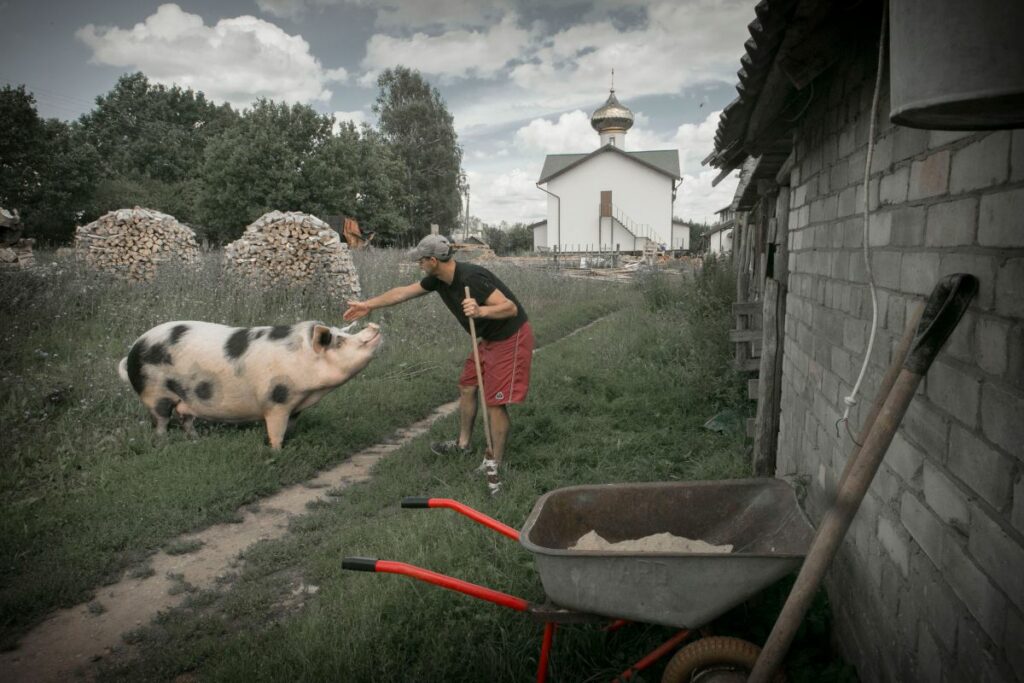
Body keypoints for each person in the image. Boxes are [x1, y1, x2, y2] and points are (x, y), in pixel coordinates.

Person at [343, 234, 533, 495]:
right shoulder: (438, 280)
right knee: (467, 386)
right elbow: (403, 293)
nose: (418, 264)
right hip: (488, 338)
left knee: (495, 401)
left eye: (421, 260)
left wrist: (480, 311)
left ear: (433, 260)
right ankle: (463, 444)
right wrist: (367, 305)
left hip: (510, 336)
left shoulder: (471, 278)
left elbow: (509, 308)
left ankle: (494, 463)